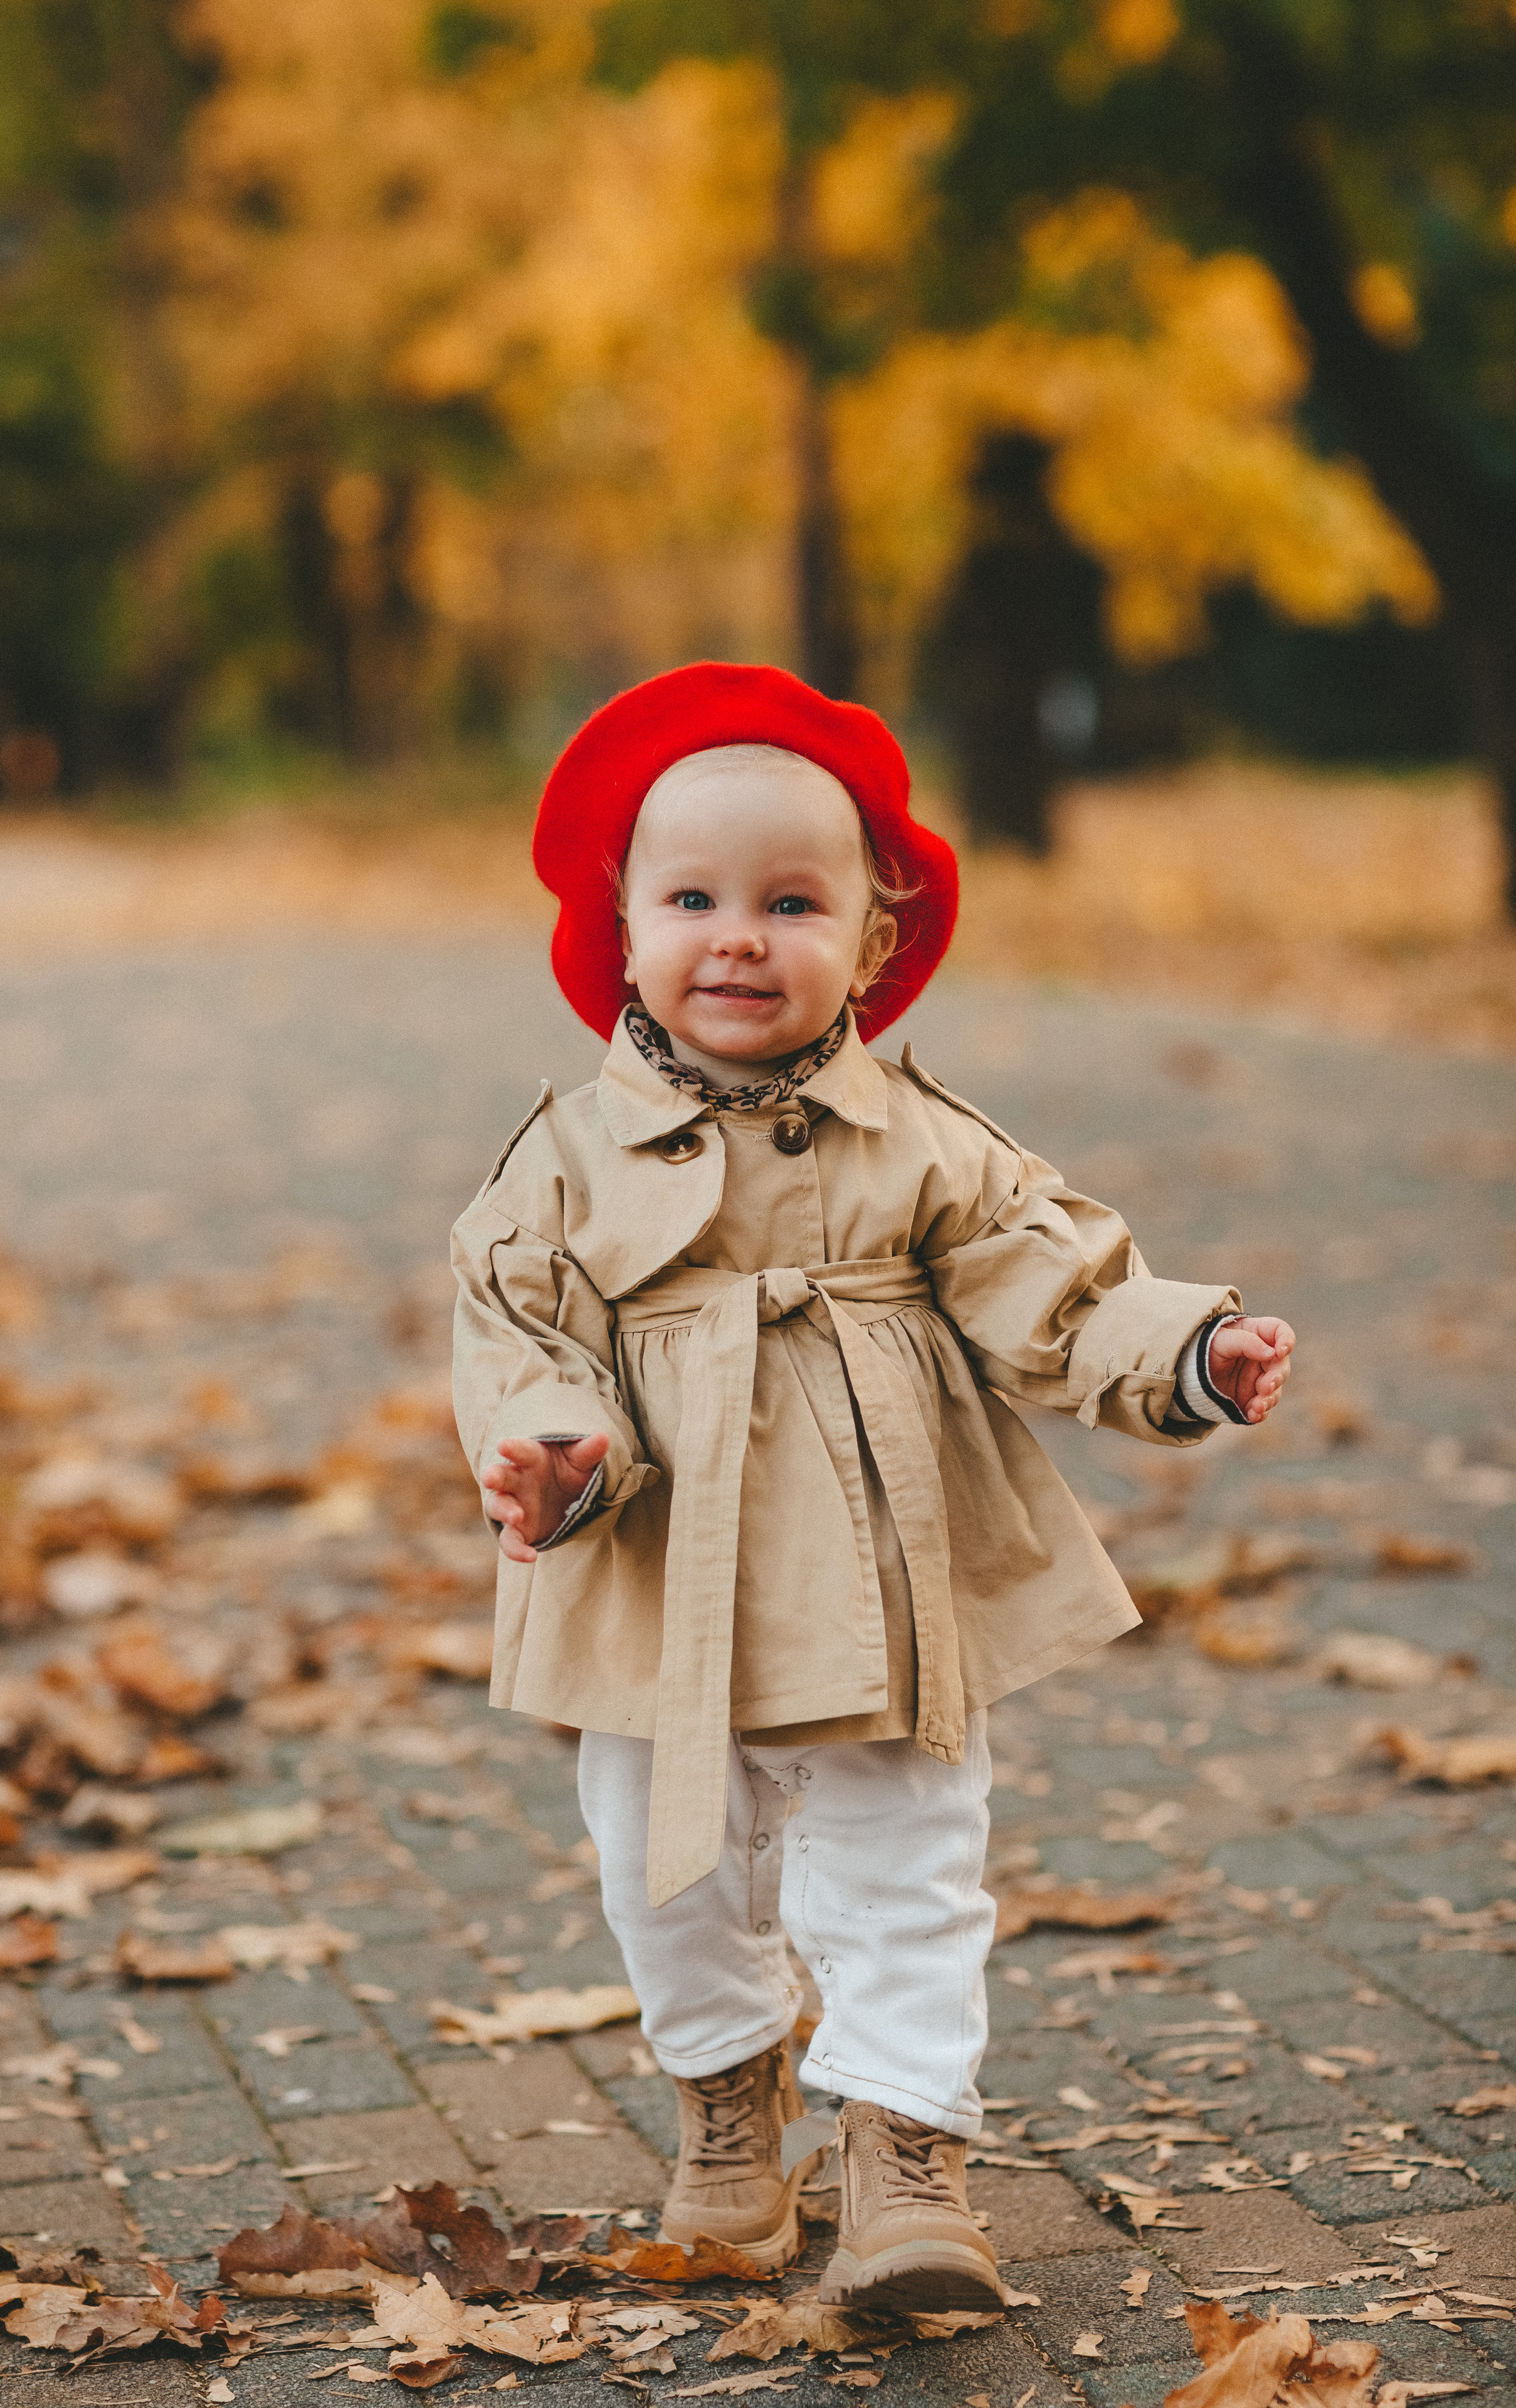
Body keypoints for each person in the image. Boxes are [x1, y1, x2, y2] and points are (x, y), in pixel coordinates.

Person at [450, 662, 1295, 2315]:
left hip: (885, 1570)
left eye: (792, 901)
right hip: (653, 1577)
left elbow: (1052, 1279)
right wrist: (554, 1448)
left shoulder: (922, 1143)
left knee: (909, 1855)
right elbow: (517, 1322)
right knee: (663, 1866)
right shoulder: (558, 1162)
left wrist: (1181, 1352)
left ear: (873, 938)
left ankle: (906, 2149)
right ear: (620, 930)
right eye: (691, 898)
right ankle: (726, 2109)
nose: (740, 937)